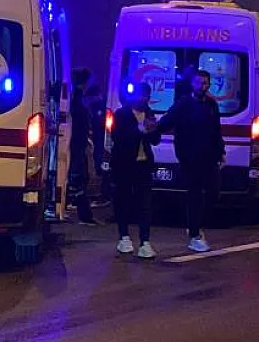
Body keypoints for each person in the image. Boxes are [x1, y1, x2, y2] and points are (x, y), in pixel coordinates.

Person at [152, 69, 225, 252]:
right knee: (194, 194)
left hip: (209, 157)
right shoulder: (183, 104)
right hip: (189, 157)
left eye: (205, 83)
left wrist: (221, 152)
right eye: (199, 83)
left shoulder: (211, 105)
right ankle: (194, 234)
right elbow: (166, 122)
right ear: (193, 84)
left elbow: (216, 130)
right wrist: (152, 130)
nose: (202, 86)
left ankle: (196, 226)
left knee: (214, 193)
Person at [111, 82, 161, 258]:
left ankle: (145, 241)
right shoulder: (121, 114)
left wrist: (152, 130)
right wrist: (139, 130)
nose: (144, 99)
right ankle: (124, 237)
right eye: (141, 96)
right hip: (125, 165)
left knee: (145, 204)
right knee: (123, 201)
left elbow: (155, 140)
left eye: (147, 96)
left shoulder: (149, 114)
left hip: (143, 164)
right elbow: (118, 137)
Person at [67, 67, 97, 225]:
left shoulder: (76, 99)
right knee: (80, 178)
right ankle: (84, 214)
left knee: (80, 178)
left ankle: (83, 212)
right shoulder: (77, 102)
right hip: (77, 144)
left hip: (77, 144)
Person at [85, 83, 112, 207]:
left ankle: (104, 194)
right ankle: (102, 192)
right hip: (98, 141)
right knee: (99, 165)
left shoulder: (100, 107)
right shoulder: (97, 106)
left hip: (101, 141)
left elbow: (98, 124)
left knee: (102, 165)